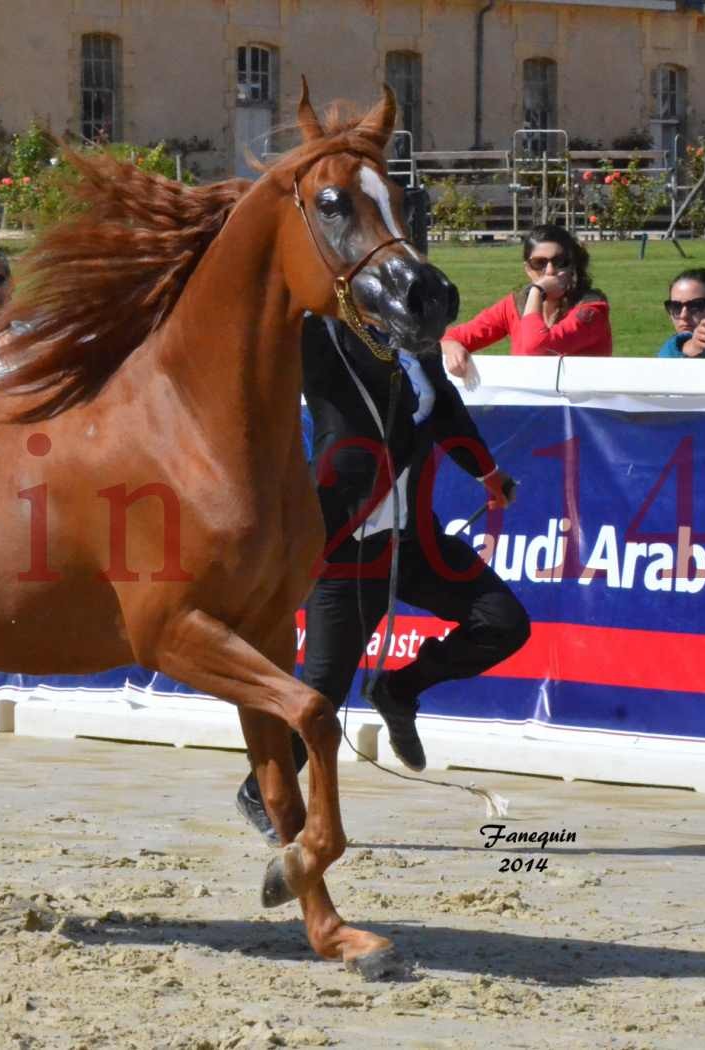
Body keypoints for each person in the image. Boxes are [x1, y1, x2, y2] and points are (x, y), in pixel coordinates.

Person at [234, 315, 530, 844]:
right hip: (345, 549)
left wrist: (489, 475)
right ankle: (261, 790)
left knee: (504, 622)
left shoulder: (419, 341)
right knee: (319, 698)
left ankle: (397, 689)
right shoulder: (323, 338)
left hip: (415, 540)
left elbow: (448, 416)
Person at [441, 223, 610, 380]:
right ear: (528, 269)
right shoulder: (515, 305)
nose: (550, 271)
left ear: (572, 266)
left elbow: (537, 349)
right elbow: (448, 337)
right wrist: (451, 346)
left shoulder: (591, 310)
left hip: (581, 408)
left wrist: (537, 290)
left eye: (560, 262)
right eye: (539, 263)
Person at [656, 268, 705, 358]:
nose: (684, 315)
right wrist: (691, 347)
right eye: (676, 306)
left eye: (695, 305)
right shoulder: (668, 352)